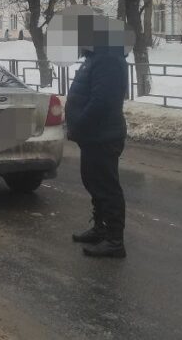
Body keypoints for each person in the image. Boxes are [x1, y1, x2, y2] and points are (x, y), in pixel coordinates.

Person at [65, 43, 129, 258]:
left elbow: (102, 101)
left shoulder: (108, 59)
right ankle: (101, 229)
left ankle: (114, 241)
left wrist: (79, 125)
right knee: (93, 182)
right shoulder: (95, 57)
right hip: (93, 135)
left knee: (106, 187)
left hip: (103, 135)